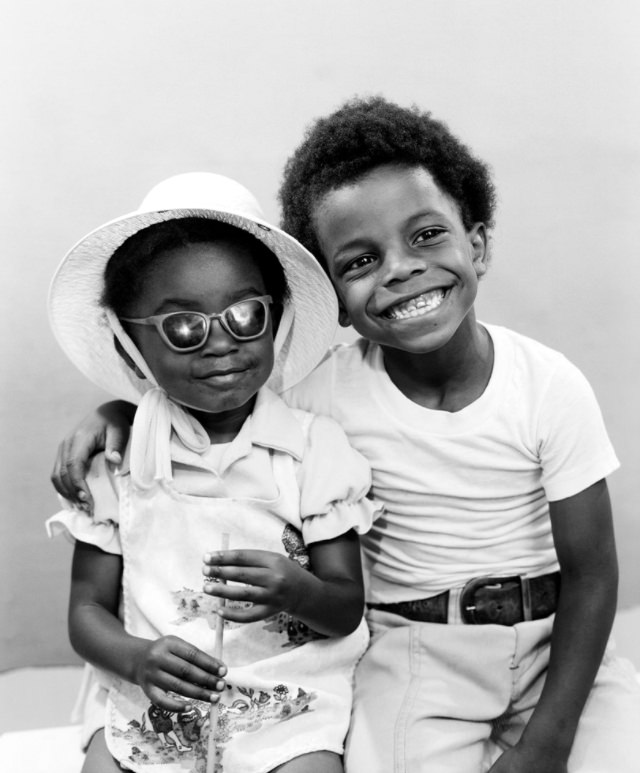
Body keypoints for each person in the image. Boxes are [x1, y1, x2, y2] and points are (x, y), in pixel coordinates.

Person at [51, 99, 640, 772]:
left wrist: (548, 744)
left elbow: (594, 572)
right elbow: (214, 407)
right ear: (331, 294)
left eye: (425, 235)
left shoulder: (548, 386)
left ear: (476, 242)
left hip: (559, 642)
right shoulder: (319, 396)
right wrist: (122, 415)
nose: (399, 269)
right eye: (361, 259)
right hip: (418, 648)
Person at [47, 172, 377, 773]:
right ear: (129, 344)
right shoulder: (115, 462)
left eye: (246, 314)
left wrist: (298, 591)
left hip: (288, 699)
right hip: (152, 691)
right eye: (182, 327)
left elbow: (345, 606)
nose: (220, 343)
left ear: (277, 319)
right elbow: (86, 611)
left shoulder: (314, 452)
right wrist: (137, 659)